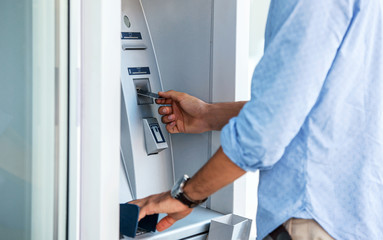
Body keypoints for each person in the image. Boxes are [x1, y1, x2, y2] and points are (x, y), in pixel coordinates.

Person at [130, 0, 383, 239]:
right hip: (358, 218)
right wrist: (207, 115)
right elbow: (319, 108)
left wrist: (185, 197)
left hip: (312, 217)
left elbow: (265, 135)